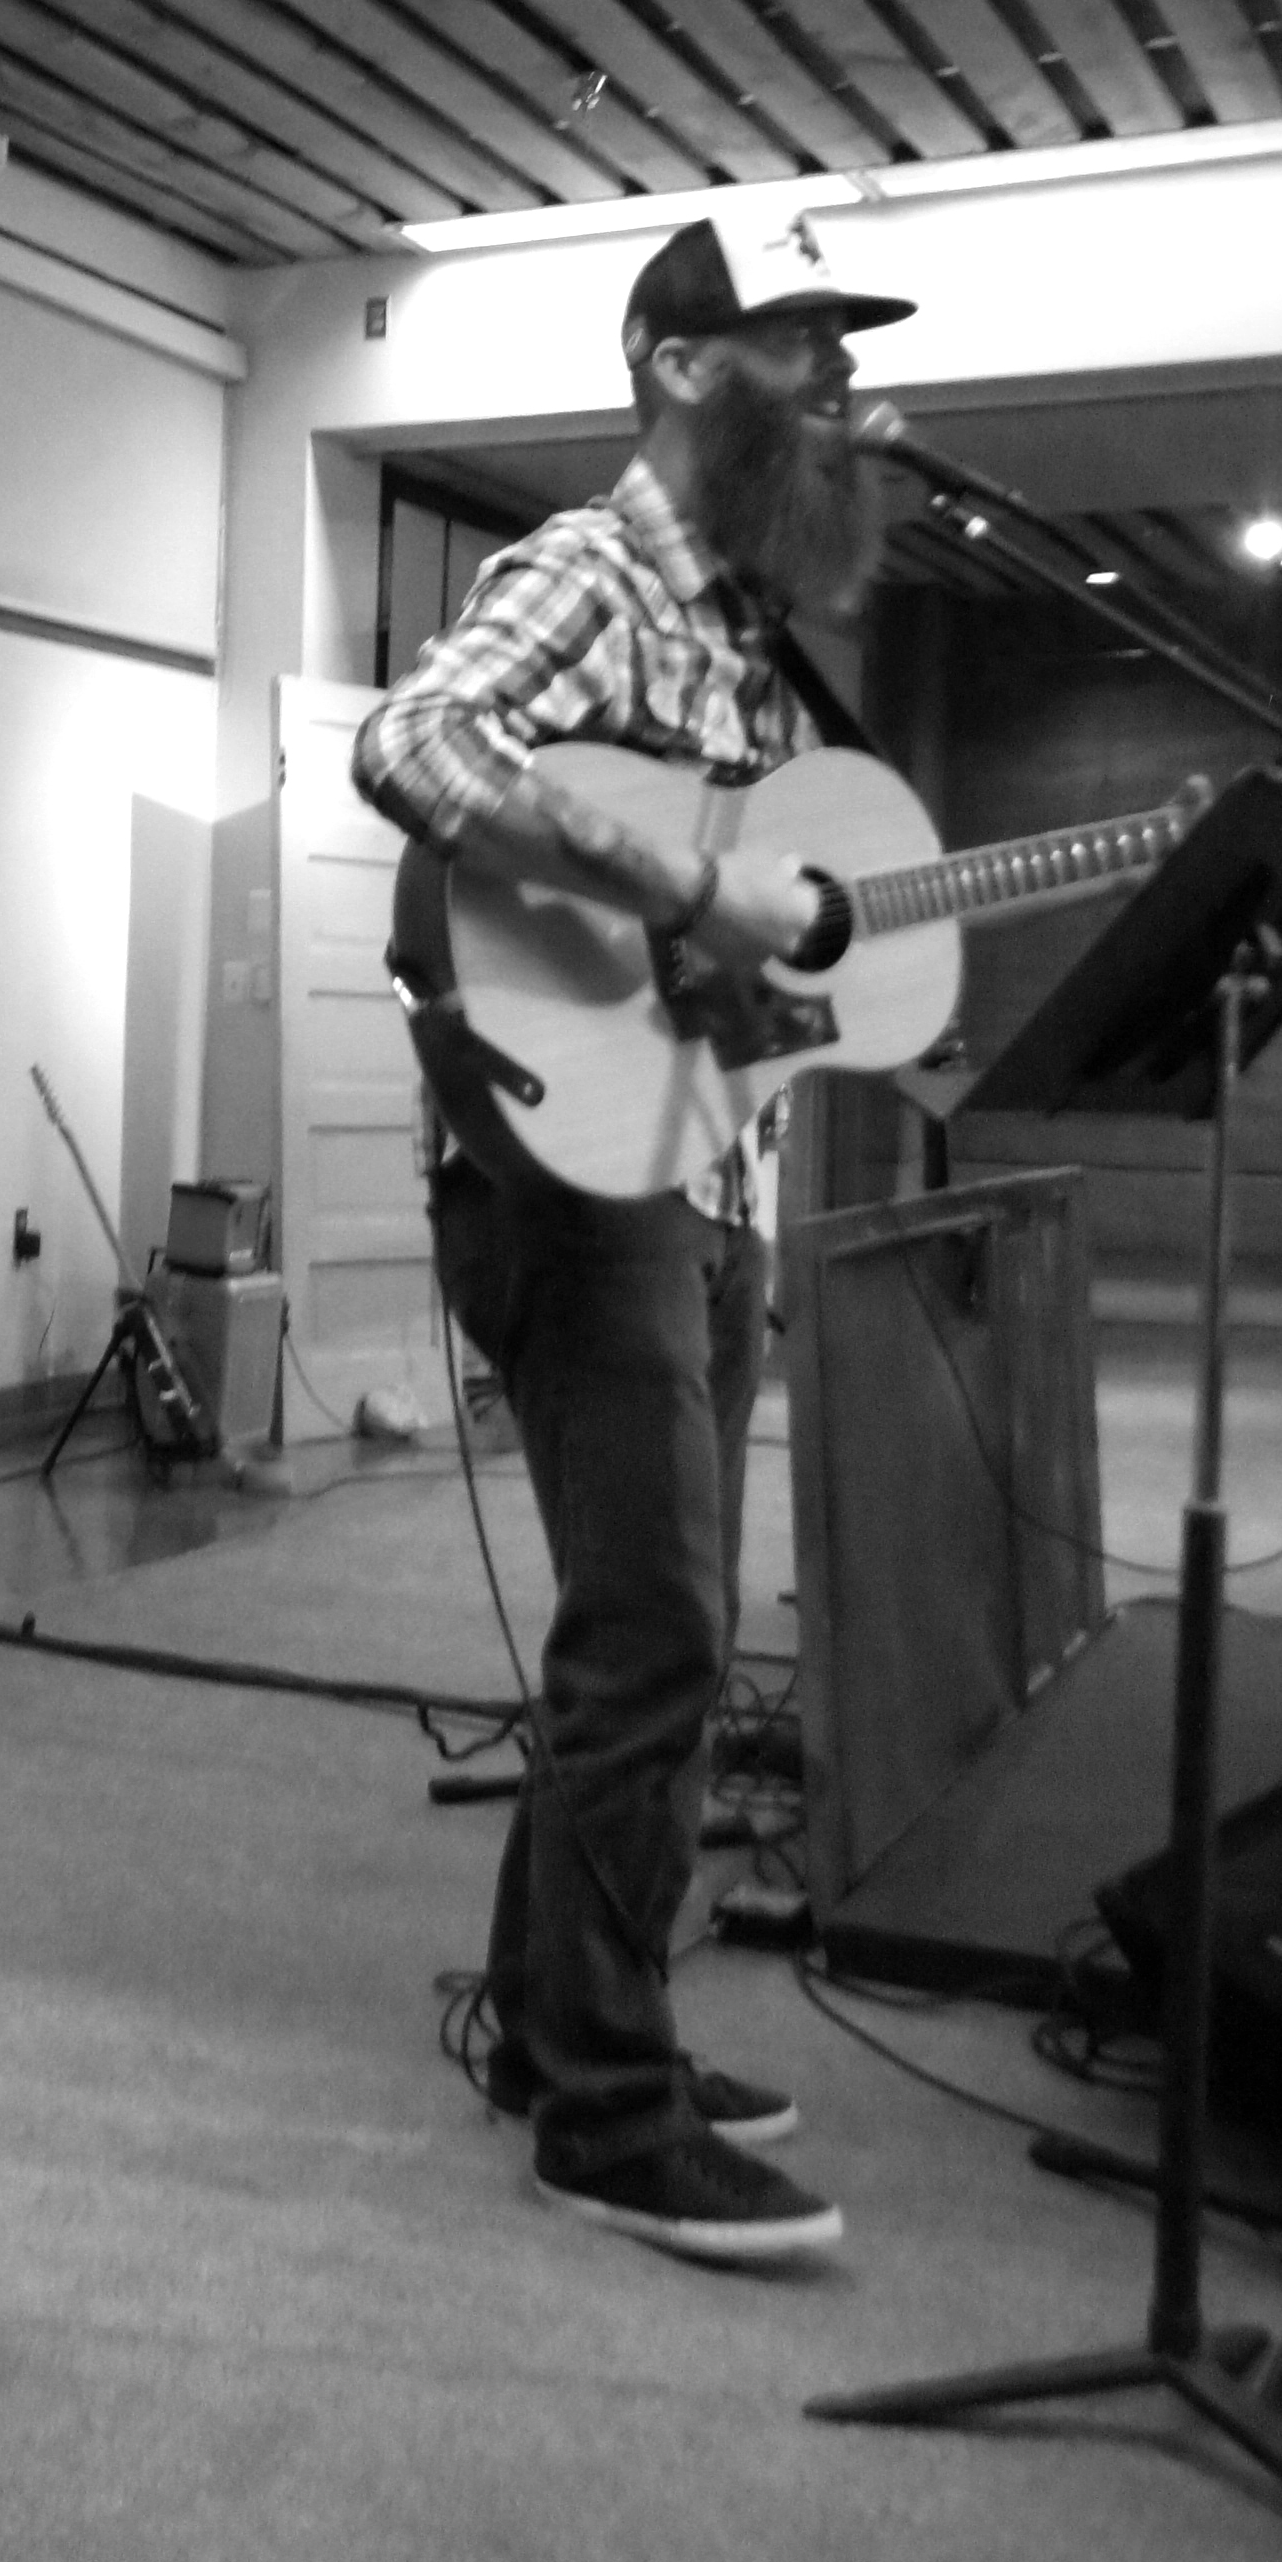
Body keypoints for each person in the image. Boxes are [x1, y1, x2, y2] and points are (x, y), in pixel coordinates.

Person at [352, 210, 914, 2267]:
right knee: (661, 1631)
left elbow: (715, 943)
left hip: (706, 1172)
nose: (835, 383)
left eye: (844, 351)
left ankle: (557, 2032)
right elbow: (413, 744)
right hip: (578, 1196)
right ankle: (607, 2108)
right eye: (797, 344)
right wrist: (680, 883)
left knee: (646, 1634)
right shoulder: (589, 571)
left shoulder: (751, 631)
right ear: (678, 364)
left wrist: (789, 965)